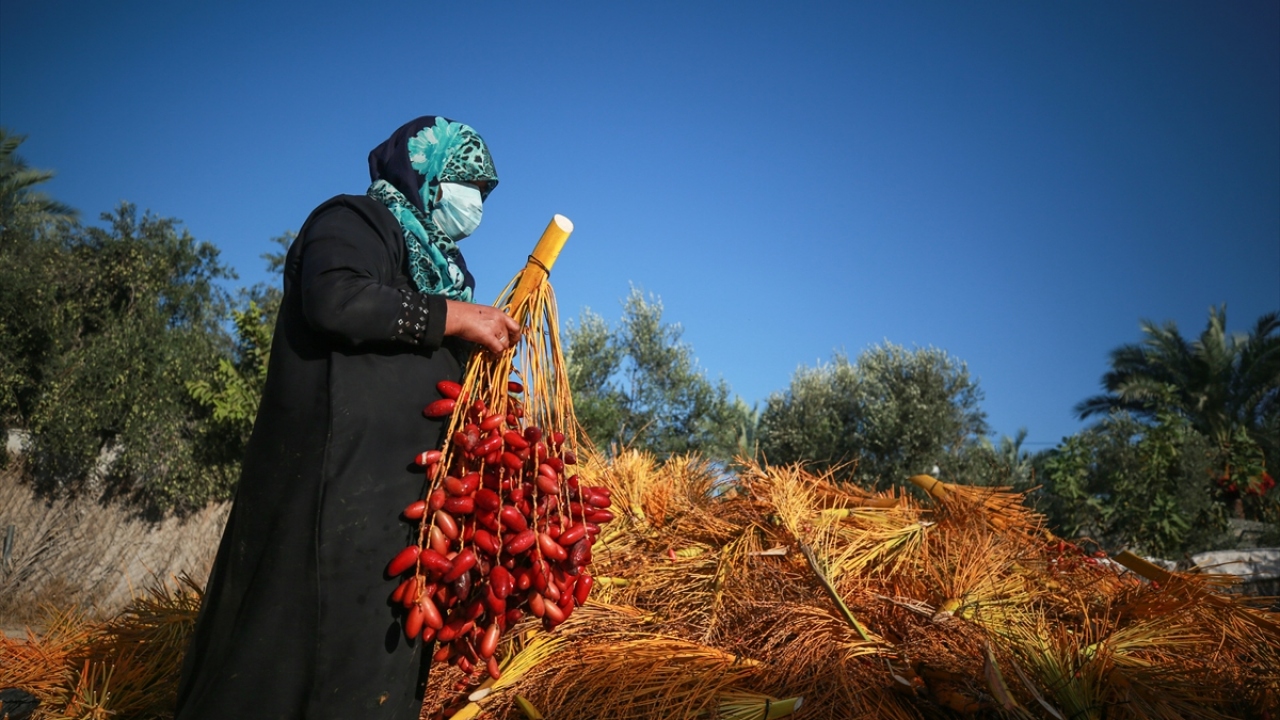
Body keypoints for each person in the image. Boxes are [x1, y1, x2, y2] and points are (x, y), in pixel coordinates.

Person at [175, 116, 520, 720]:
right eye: (469, 184)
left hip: (403, 507)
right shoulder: (355, 220)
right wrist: (454, 318)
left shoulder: (444, 272)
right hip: (329, 486)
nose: (477, 205)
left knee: (373, 659)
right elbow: (335, 298)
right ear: (427, 174)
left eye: (486, 194)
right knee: (291, 646)